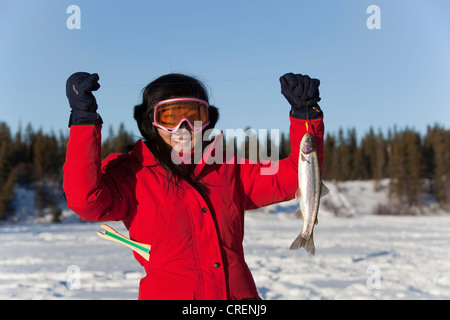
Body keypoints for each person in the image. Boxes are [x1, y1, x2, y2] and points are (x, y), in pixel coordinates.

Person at [63, 72, 325, 300]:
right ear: (150, 122)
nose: (183, 127)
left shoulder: (228, 169)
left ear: (207, 120)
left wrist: (305, 117)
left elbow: (296, 176)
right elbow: (86, 201)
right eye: (170, 116)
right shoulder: (131, 175)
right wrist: (84, 121)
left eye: (193, 116)